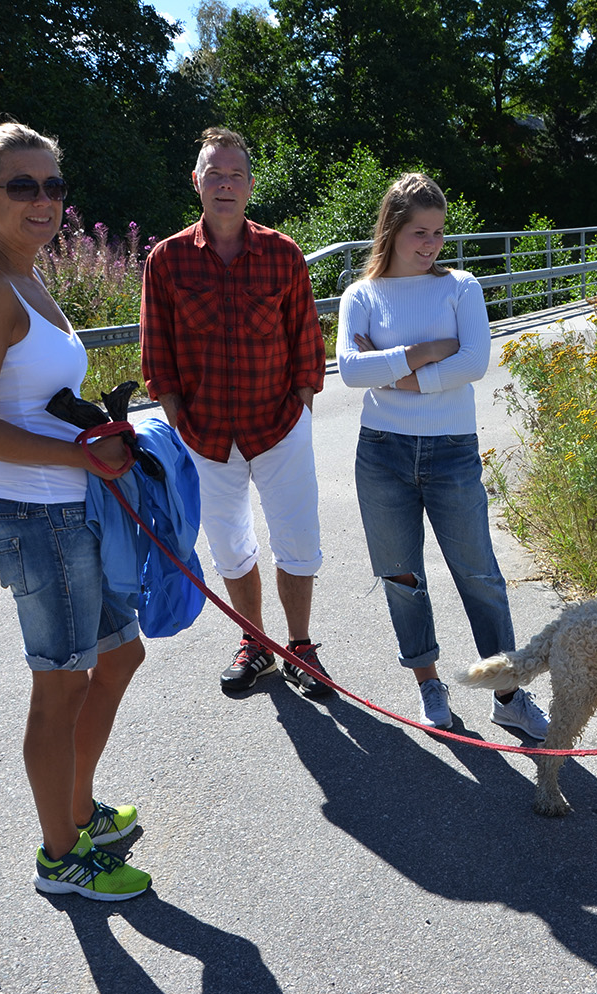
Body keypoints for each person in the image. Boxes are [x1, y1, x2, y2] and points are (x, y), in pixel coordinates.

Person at [0, 122, 150, 900]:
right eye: (22, 186)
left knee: (119, 657)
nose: (43, 201)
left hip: (75, 511)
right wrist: (77, 455)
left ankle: (78, 809)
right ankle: (61, 857)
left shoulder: (25, 274)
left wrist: (98, 433)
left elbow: (26, 400)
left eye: (53, 185)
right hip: (39, 521)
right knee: (58, 688)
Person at [337, 173, 549, 740]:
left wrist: (398, 372)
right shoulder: (362, 295)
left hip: (451, 451)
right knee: (402, 576)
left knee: (479, 575)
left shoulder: (461, 287)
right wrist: (428, 352)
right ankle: (430, 682)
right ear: (392, 229)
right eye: (419, 233)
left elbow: (474, 363)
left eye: (437, 233)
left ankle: (506, 693)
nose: (431, 245)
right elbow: (350, 370)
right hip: (381, 453)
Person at [141, 127, 330, 698]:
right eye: (214, 174)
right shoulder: (166, 260)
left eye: (236, 175)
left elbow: (307, 339)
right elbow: (158, 352)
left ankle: (299, 647)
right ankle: (257, 646)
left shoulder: (283, 253)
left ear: (250, 184)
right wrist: (176, 417)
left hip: (278, 425)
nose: (225, 184)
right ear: (197, 182)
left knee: (298, 540)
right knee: (229, 545)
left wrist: (301, 403)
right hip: (204, 434)